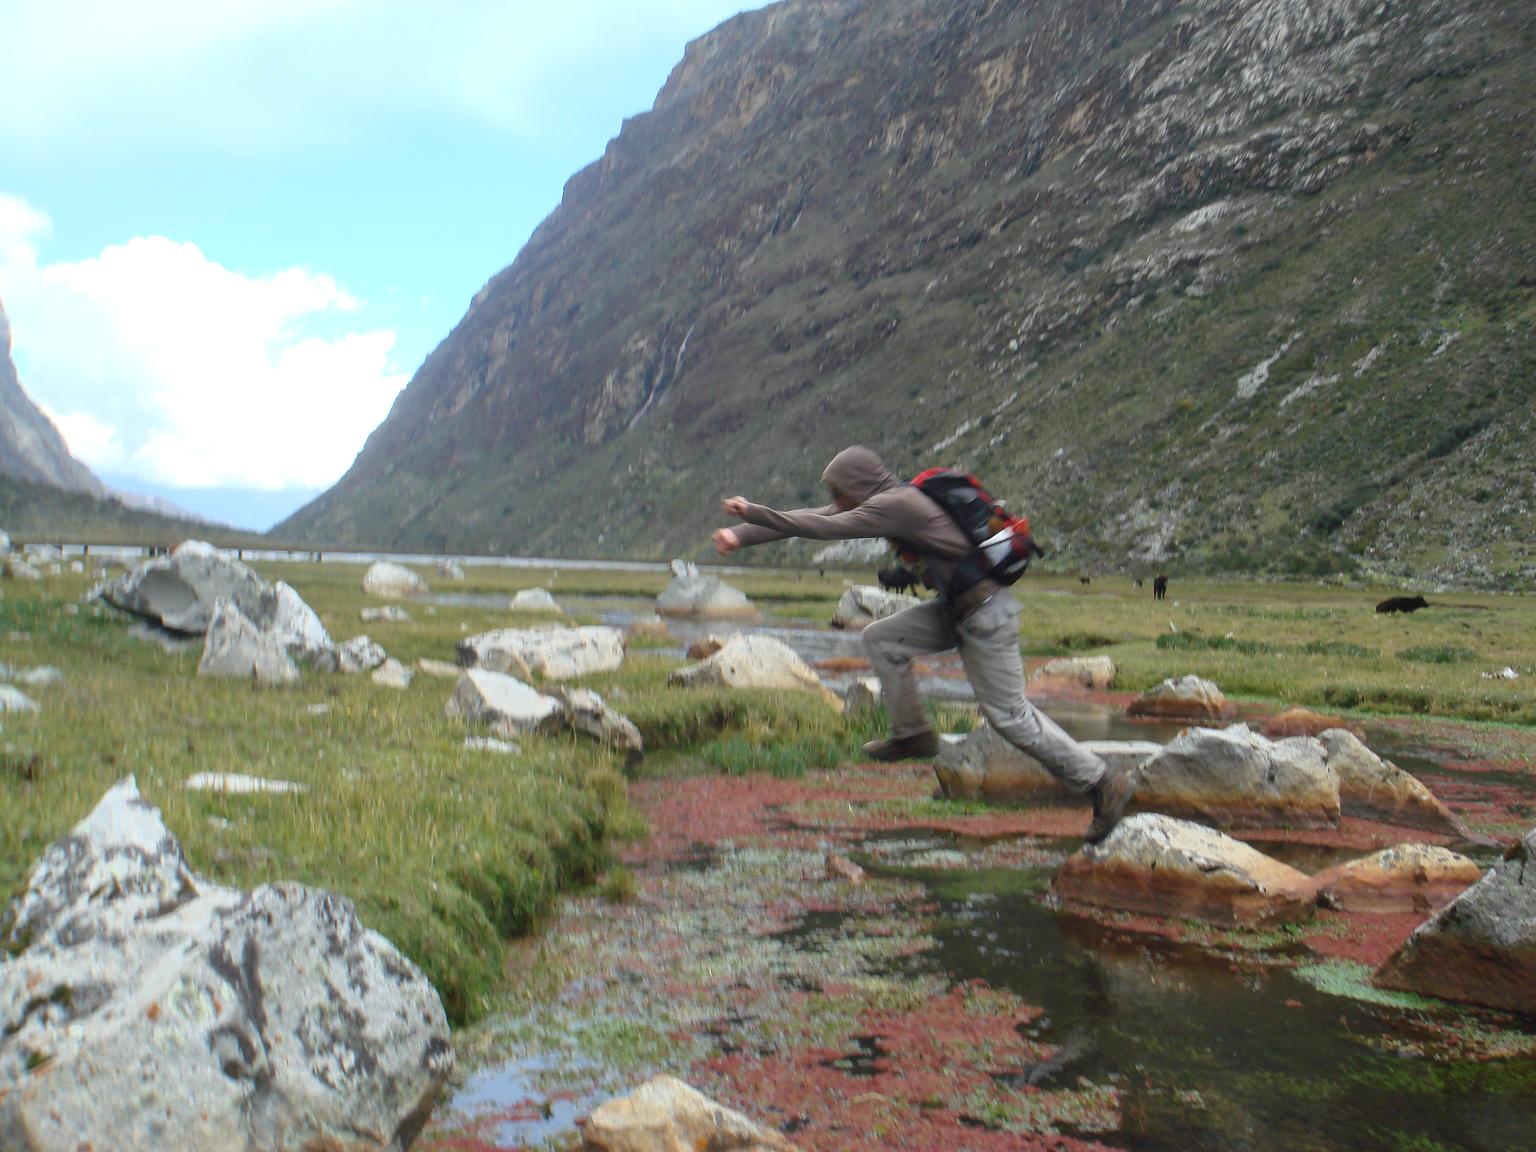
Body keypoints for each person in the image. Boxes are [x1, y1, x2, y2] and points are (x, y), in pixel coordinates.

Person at [712, 445, 1137, 843]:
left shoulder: (895, 505)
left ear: (859, 485)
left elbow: (821, 527)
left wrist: (751, 510)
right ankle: (914, 734)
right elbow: (816, 514)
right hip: (957, 610)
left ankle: (1103, 782)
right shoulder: (884, 500)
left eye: (839, 491)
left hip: (986, 615)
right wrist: (741, 535)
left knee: (1010, 717)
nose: (835, 500)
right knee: (882, 637)